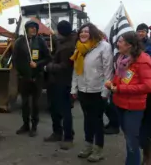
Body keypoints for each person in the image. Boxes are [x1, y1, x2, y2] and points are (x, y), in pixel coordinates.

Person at [106, 31, 151, 165]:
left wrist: (119, 89)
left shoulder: (143, 61)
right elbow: (120, 77)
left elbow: (147, 86)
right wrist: (113, 84)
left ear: (129, 45)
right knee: (128, 138)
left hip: (134, 107)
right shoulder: (122, 58)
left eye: (120, 41)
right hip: (120, 103)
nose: (117, 43)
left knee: (132, 140)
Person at [70, 23, 113, 162]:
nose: (83, 34)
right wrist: (74, 88)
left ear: (93, 32)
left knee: (97, 121)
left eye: (86, 31)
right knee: (87, 119)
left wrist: (105, 92)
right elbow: (76, 71)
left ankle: (98, 149)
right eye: (81, 31)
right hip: (83, 90)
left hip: (98, 90)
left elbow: (108, 71)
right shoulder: (79, 48)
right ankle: (88, 145)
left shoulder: (104, 46)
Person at [12, 20, 51, 137]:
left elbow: (48, 58)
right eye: (31, 27)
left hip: (37, 77)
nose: (33, 29)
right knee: (24, 103)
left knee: (35, 104)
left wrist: (38, 64)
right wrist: (21, 72)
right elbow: (15, 59)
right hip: (24, 78)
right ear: (26, 29)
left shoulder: (41, 41)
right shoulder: (19, 42)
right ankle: (25, 125)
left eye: (35, 27)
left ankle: (34, 126)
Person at [43, 20, 77, 150]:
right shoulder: (61, 42)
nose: (56, 32)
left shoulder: (68, 46)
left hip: (63, 82)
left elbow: (64, 67)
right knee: (54, 108)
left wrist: (48, 67)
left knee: (65, 110)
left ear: (62, 31)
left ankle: (68, 137)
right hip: (54, 82)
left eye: (57, 30)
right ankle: (57, 132)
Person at [135, 23, 151, 163]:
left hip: (148, 88)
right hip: (138, 89)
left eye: (143, 31)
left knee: (146, 122)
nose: (141, 33)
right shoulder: (133, 47)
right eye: (139, 31)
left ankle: (147, 154)